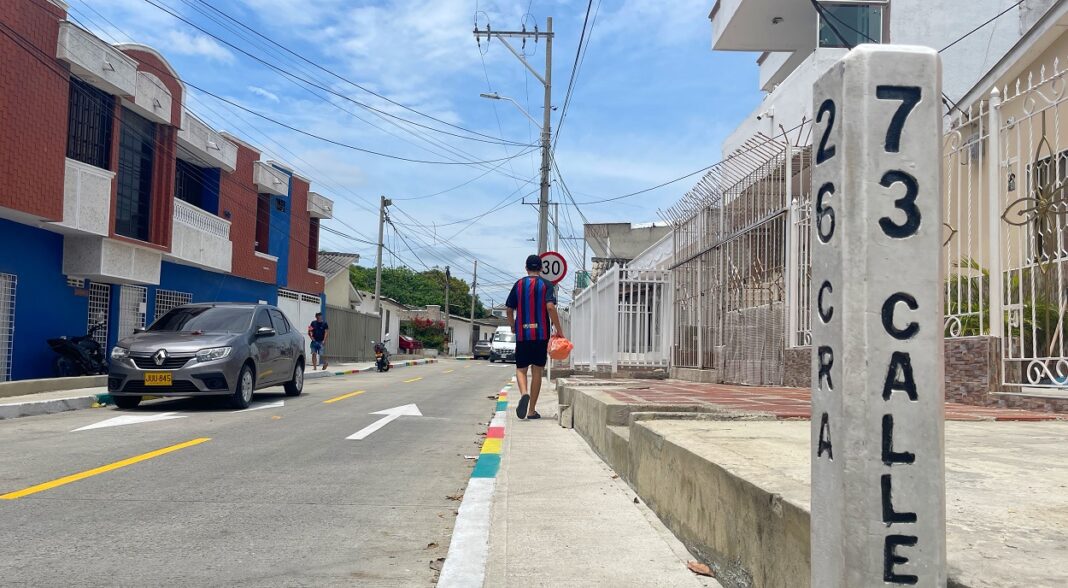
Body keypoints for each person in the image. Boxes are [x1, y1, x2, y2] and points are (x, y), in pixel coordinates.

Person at [506, 254, 564, 420]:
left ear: (526, 268)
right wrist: (559, 330)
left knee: (521, 369)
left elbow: (509, 309)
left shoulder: (519, 284)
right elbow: (550, 307)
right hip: (541, 335)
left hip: (523, 335)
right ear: (541, 268)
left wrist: (513, 326)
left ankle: (524, 393)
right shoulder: (546, 285)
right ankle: (531, 410)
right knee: (537, 370)